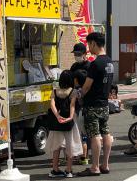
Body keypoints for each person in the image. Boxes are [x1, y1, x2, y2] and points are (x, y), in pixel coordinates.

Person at [78, 32, 114, 176]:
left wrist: (78, 95)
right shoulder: (110, 62)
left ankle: (94, 167)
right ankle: (105, 165)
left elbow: (86, 87)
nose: (88, 47)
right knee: (105, 133)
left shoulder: (95, 64)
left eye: (89, 44)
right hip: (104, 104)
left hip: (92, 104)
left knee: (94, 135)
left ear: (93, 43)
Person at [46, 70, 83, 178]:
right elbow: (72, 105)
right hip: (69, 123)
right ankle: (69, 170)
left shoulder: (55, 91)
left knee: (56, 147)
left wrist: (57, 116)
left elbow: (52, 104)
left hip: (57, 123)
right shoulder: (73, 92)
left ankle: (55, 169)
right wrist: (70, 117)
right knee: (70, 145)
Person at [73, 69, 89, 165]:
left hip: (80, 113)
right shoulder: (88, 88)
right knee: (85, 137)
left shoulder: (77, 90)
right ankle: (85, 158)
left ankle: (81, 156)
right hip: (88, 112)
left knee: (80, 137)